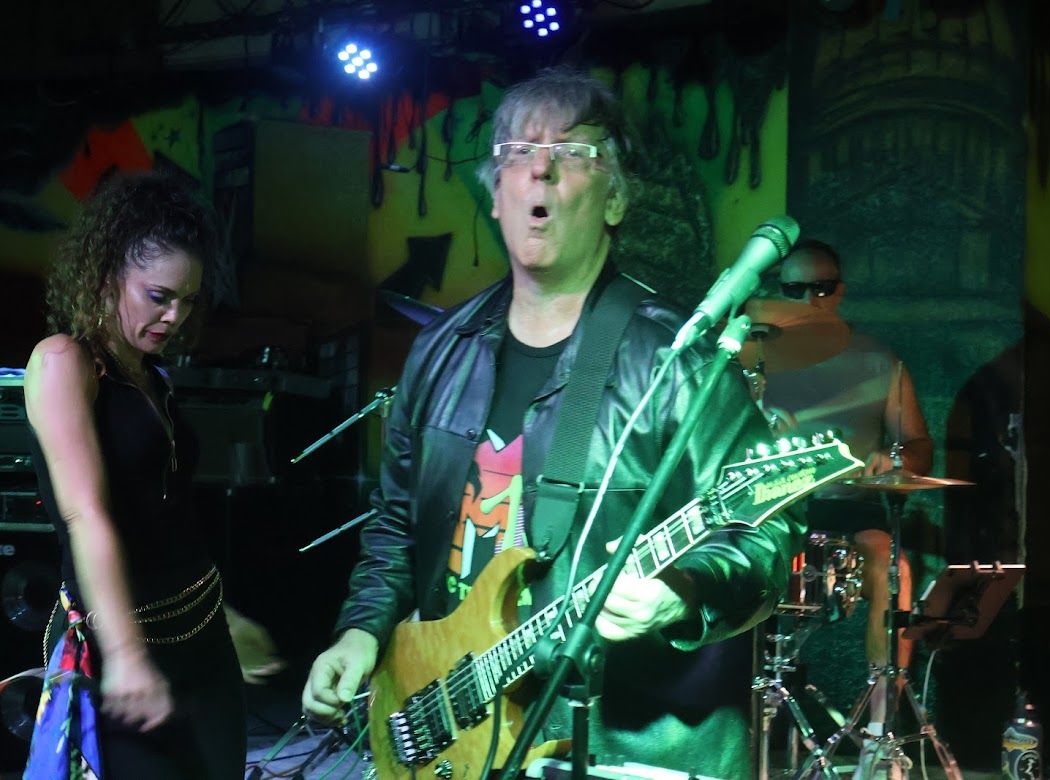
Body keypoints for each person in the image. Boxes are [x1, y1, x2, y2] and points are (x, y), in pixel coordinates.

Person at [303, 67, 802, 780]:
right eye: (518, 151)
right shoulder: (440, 350)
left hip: (618, 742)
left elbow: (763, 533)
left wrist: (680, 592)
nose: (540, 168)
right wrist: (361, 632)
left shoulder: (677, 362)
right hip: (451, 718)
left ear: (615, 198)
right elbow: (395, 521)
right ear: (495, 193)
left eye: (572, 152)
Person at [22, 171, 280, 778]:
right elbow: (85, 516)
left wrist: (224, 614)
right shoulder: (63, 362)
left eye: (187, 300)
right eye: (159, 295)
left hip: (201, 636)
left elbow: (170, 521)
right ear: (106, 274)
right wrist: (126, 655)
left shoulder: (152, 376)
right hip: (124, 645)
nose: (174, 315)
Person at [753, 238, 933, 776]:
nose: (809, 299)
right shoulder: (753, 359)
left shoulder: (878, 361)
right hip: (774, 508)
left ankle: (880, 733)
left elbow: (918, 445)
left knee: (894, 567)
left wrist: (893, 457)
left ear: (839, 292)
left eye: (822, 287)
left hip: (853, 508)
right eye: (794, 289)